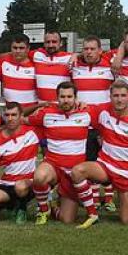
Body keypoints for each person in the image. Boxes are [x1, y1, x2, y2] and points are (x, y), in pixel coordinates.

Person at [70, 80, 128, 228]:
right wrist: (80, 104)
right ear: (110, 96)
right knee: (77, 171)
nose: (119, 99)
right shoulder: (102, 111)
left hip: (126, 172)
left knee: (127, 221)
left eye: (123, 95)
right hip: (105, 166)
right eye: (115, 96)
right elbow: (83, 109)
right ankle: (92, 213)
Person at [28, 81, 99, 225]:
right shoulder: (46, 113)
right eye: (62, 97)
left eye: (69, 96)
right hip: (53, 166)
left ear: (75, 97)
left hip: (74, 171)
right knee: (39, 177)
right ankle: (44, 209)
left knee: (67, 220)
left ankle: (55, 207)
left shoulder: (87, 112)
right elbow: (20, 119)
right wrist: (0, 129)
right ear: (57, 97)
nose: (65, 100)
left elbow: (107, 119)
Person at [71, 35, 117, 212]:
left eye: (92, 49)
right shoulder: (74, 67)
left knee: (108, 161)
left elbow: (125, 48)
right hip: (84, 125)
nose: (88, 52)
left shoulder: (109, 65)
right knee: (90, 161)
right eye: (85, 49)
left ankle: (110, 199)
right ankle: (95, 199)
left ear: (100, 50)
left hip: (105, 124)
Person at [0, 101, 40, 224]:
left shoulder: (33, 131)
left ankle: (23, 208)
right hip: (7, 182)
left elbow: (50, 114)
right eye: (7, 115)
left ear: (21, 116)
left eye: (14, 115)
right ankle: (12, 205)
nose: (10, 118)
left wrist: (39, 105)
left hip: (28, 182)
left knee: (20, 187)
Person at [0, 33, 37, 114]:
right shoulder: (3, 61)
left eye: (21, 48)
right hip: (10, 115)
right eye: (15, 48)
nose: (18, 51)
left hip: (30, 114)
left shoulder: (36, 65)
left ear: (28, 48)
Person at [32, 30, 73, 104]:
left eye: (54, 42)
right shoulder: (36, 55)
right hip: (42, 107)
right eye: (48, 42)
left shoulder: (69, 57)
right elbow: (19, 53)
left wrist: (76, 55)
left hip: (62, 107)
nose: (50, 45)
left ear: (61, 43)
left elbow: (91, 55)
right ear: (44, 44)